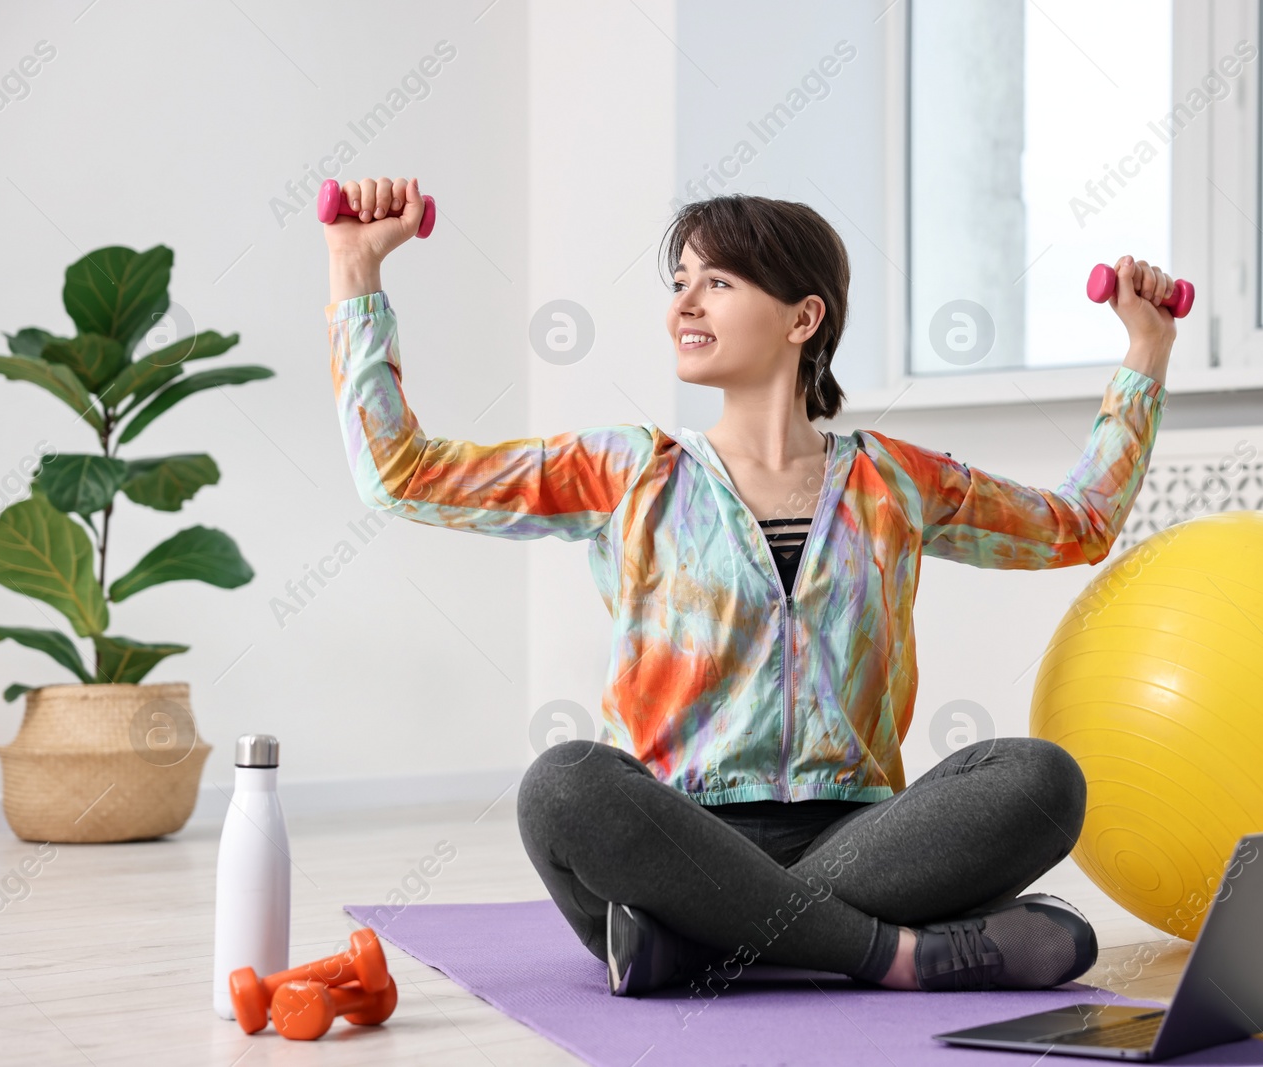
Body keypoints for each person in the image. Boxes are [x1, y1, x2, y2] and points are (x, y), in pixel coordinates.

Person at [325, 176, 1175, 998]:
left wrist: (1146, 350)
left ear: (804, 316)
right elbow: (402, 473)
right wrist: (356, 271)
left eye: (718, 281)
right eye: (680, 281)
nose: (683, 305)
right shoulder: (630, 470)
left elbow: (1076, 525)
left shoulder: (894, 481)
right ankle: (892, 955)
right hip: (672, 837)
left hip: (863, 834)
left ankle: (704, 947)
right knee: (563, 782)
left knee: (1041, 777)